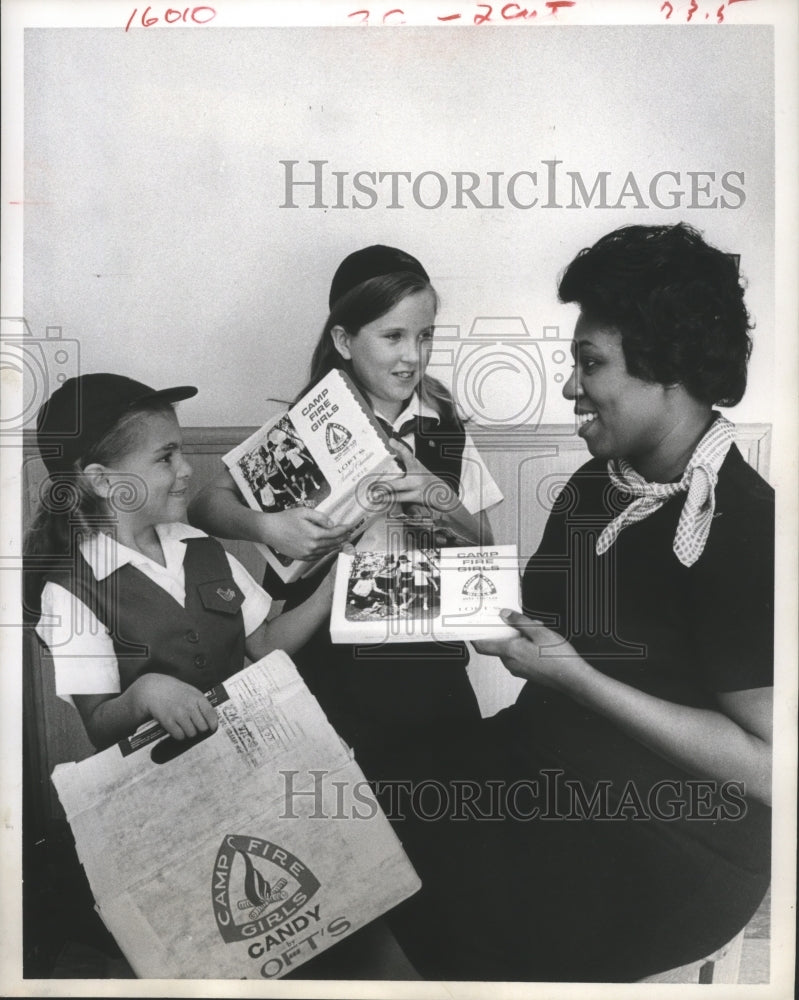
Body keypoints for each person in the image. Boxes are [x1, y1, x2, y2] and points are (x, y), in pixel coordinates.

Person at [363, 224, 773, 982]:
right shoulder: (597, 488)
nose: (570, 387)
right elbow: (546, 625)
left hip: (675, 842)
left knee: (426, 867)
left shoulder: (746, 529)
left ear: (669, 370)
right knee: (375, 792)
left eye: (590, 364)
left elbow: (768, 768)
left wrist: (579, 681)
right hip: (558, 765)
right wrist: (458, 529)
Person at [189, 244, 503, 749]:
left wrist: (440, 497)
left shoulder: (445, 429)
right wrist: (267, 526)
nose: (412, 355)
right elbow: (204, 505)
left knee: (445, 791)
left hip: (427, 658)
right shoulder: (302, 424)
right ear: (344, 340)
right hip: (327, 659)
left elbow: (485, 547)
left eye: (425, 336)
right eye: (393, 336)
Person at [25, 373, 335, 750]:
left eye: (182, 453)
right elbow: (99, 725)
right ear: (104, 482)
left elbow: (267, 643)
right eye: (165, 458)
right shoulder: (70, 590)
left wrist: (334, 585)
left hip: (242, 759)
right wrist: (145, 693)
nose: (186, 469)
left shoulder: (202, 548)